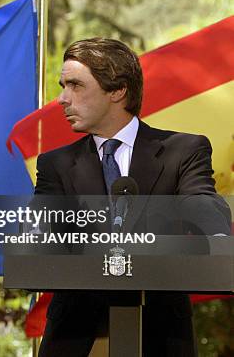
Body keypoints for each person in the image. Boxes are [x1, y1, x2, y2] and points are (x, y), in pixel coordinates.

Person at [34, 38, 231, 357]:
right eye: (63, 86)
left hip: (161, 334)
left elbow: (201, 201)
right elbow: (42, 230)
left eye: (75, 85)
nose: (62, 99)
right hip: (75, 336)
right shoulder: (54, 164)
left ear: (117, 90)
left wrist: (219, 237)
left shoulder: (184, 152)